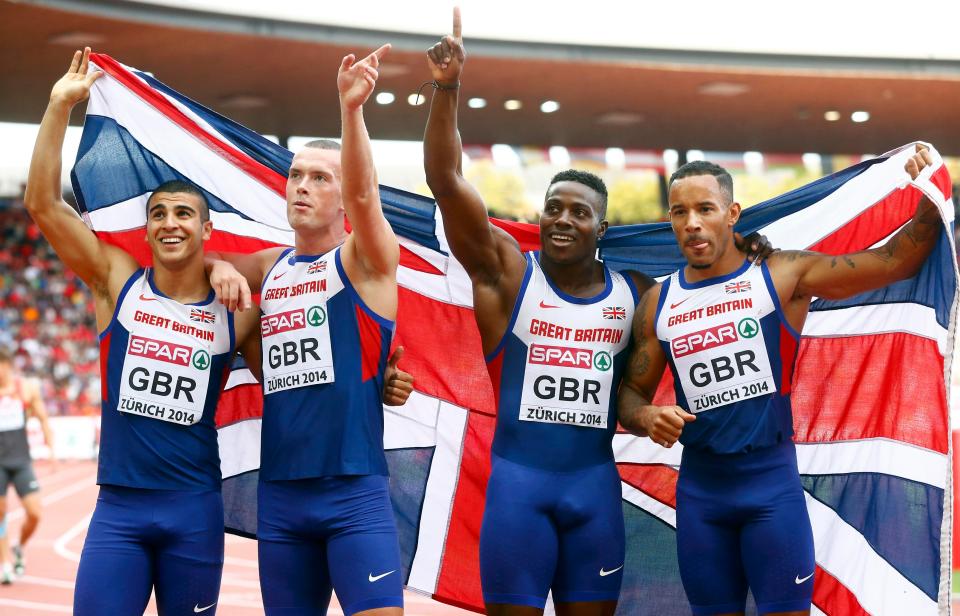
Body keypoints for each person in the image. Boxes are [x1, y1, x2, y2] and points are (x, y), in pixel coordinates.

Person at [422, 10, 772, 616]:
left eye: (579, 213)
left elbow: (710, 267)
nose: (562, 219)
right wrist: (447, 88)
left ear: (602, 228)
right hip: (517, 490)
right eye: (553, 208)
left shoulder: (637, 292)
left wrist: (753, 247)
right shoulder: (507, 276)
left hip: (593, 492)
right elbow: (446, 181)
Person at [617, 151, 941, 615]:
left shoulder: (781, 274)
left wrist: (929, 195)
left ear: (731, 214)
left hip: (770, 488)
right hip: (702, 496)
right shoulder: (658, 302)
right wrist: (646, 415)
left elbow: (894, 261)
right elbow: (628, 397)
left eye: (705, 209)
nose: (692, 223)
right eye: (679, 212)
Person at [23, 48, 262, 615]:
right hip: (119, 512)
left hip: (194, 511)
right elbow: (43, 205)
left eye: (183, 214)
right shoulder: (117, 284)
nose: (170, 223)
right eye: (159, 214)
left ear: (206, 228)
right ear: (147, 228)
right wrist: (60, 107)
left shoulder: (237, 308)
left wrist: (378, 382)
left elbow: (295, 376)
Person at [205, 44, 408, 616]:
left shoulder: (364, 262)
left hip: (353, 492)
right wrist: (220, 267)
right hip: (283, 495)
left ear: (342, 196)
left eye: (319, 178)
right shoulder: (269, 267)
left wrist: (351, 110)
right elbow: (189, 264)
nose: (300, 186)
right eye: (295, 175)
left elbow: (368, 194)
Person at [0, 348, 55, 584]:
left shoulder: (26, 388)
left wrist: (51, 450)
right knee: (0, 513)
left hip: (21, 461)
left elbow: (42, 418)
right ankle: (5, 564)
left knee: (34, 513)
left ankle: (19, 546)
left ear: (9, 365)